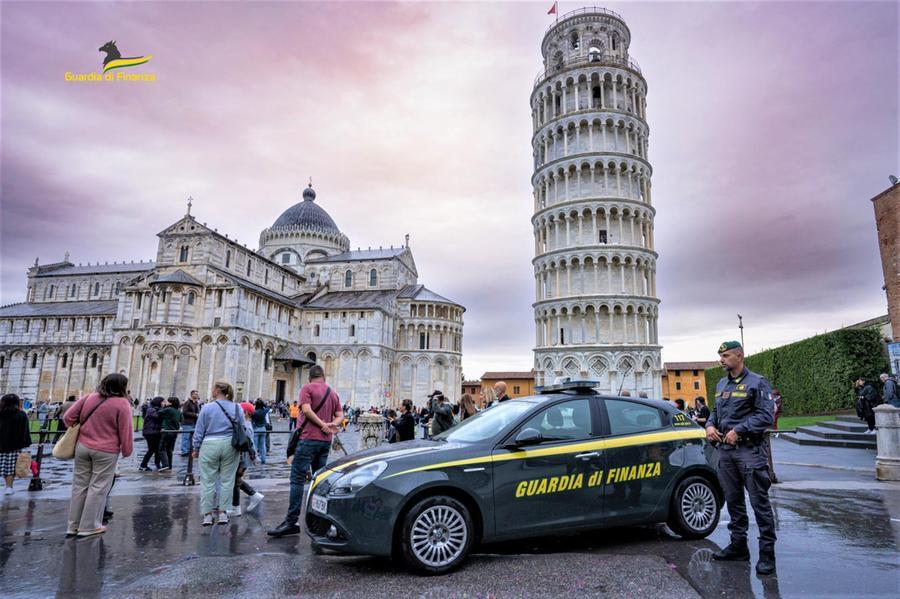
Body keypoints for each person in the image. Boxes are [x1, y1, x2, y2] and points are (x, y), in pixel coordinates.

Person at [706, 341, 777, 576]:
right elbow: (715, 411)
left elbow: (766, 415)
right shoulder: (721, 383)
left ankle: (767, 554)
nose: (721, 360)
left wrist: (740, 430)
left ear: (739, 355)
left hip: (749, 451)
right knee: (734, 502)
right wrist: (708, 425)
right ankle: (738, 547)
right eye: (720, 356)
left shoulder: (757, 382)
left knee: (759, 503)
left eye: (726, 355)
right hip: (726, 451)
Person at [268, 365, 343, 537]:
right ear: (323, 376)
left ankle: (291, 521)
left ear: (310, 377)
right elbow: (340, 416)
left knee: (297, 479)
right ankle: (318, 521)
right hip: (325, 442)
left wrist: (323, 424)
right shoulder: (332, 392)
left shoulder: (307, 388)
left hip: (308, 439)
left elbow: (307, 410)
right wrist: (332, 424)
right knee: (318, 480)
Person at [63, 374, 134, 537]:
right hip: (106, 450)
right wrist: (127, 450)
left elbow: (68, 418)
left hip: (82, 447)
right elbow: (125, 430)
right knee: (98, 487)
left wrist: (82, 430)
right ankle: (89, 526)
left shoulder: (89, 398)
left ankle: (72, 526)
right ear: (122, 387)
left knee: (79, 486)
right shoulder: (122, 403)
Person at [192, 381, 242, 526]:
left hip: (209, 445)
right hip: (230, 445)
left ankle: (207, 515)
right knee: (227, 481)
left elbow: (199, 430)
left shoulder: (207, 408)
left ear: (217, 391)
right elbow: (243, 428)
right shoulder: (237, 408)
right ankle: (223, 514)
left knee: (207, 481)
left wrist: (196, 448)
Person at [227, 402, 264, 517]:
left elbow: (250, 443)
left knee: (235, 481)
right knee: (236, 480)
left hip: (243, 457)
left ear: (246, 413)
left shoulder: (246, 426)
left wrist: (255, 457)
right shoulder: (245, 424)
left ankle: (236, 507)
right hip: (243, 456)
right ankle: (253, 495)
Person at [0, 394, 32, 496]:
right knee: (9, 467)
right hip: (13, 446)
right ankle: (9, 487)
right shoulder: (21, 415)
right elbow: (24, 431)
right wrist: (25, 442)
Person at [139, 397, 166, 472]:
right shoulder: (151, 410)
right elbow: (158, 417)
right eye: (163, 402)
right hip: (150, 432)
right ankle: (143, 465)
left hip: (155, 432)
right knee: (152, 449)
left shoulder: (156, 409)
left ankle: (157, 464)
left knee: (156, 449)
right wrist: (164, 409)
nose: (164, 403)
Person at [159, 397, 182, 472]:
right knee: (169, 449)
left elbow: (159, 412)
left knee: (162, 449)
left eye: (168, 402)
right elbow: (182, 419)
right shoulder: (178, 411)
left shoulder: (168, 409)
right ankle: (170, 465)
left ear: (171, 403)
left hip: (167, 431)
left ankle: (165, 465)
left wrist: (164, 406)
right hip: (174, 432)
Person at [180, 390, 200, 456]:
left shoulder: (196, 403)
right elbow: (185, 412)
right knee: (185, 437)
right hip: (187, 423)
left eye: (197, 394)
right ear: (192, 395)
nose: (197, 395)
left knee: (191, 438)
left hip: (194, 423)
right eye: (195, 394)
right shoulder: (187, 402)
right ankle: (184, 451)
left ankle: (188, 450)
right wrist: (195, 415)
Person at [251, 399, 269, 464]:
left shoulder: (254, 412)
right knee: (262, 445)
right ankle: (263, 458)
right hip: (263, 429)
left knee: (255, 445)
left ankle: (256, 458)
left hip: (256, 429)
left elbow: (252, 419)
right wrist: (264, 404)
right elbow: (268, 408)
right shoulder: (264, 411)